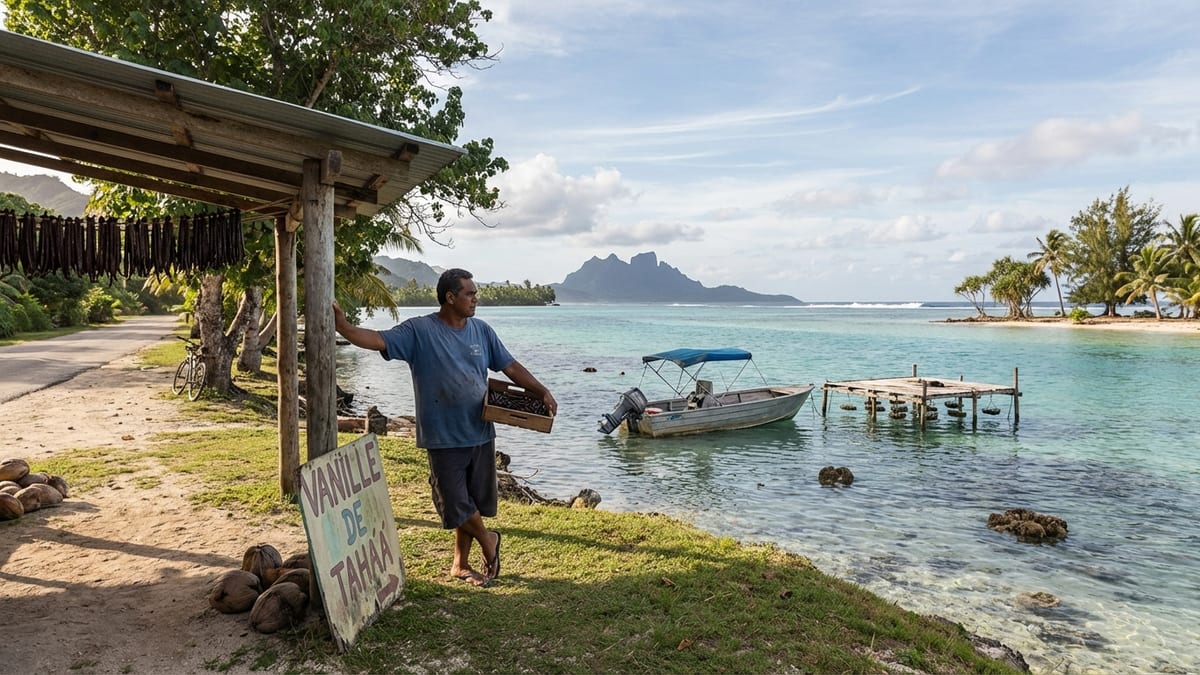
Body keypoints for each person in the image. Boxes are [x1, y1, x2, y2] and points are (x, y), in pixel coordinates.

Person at [332, 268, 557, 587]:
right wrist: (343, 326)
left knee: (472, 501)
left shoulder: (482, 331)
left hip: (479, 431)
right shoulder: (419, 331)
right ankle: (489, 540)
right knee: (453, 501)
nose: (475, 298)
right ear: (450, 298)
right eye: (469, 293)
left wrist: (541, 391)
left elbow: (510, 366)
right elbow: (377, 339)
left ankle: (460, 564)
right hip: (443, 436)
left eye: (475, 293)